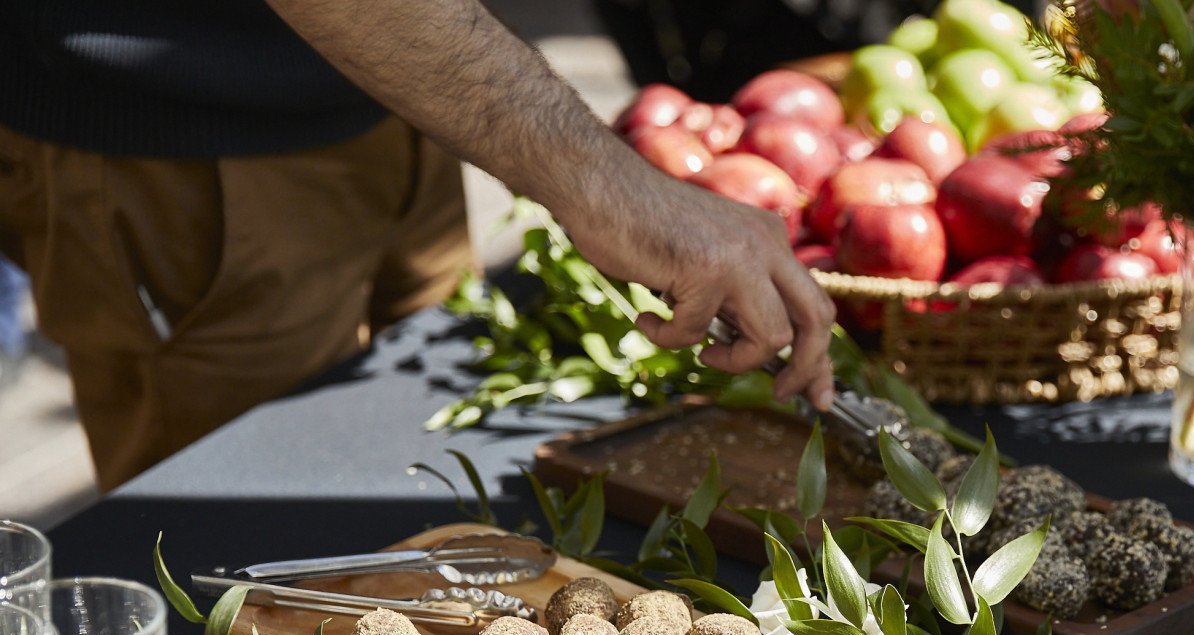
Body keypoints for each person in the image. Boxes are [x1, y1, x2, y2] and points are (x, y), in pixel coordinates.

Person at [0, 0, 835, 491]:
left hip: (408, 86)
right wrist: (607, 184)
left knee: (427, 475)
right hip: (182, 143)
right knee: (241, 596)